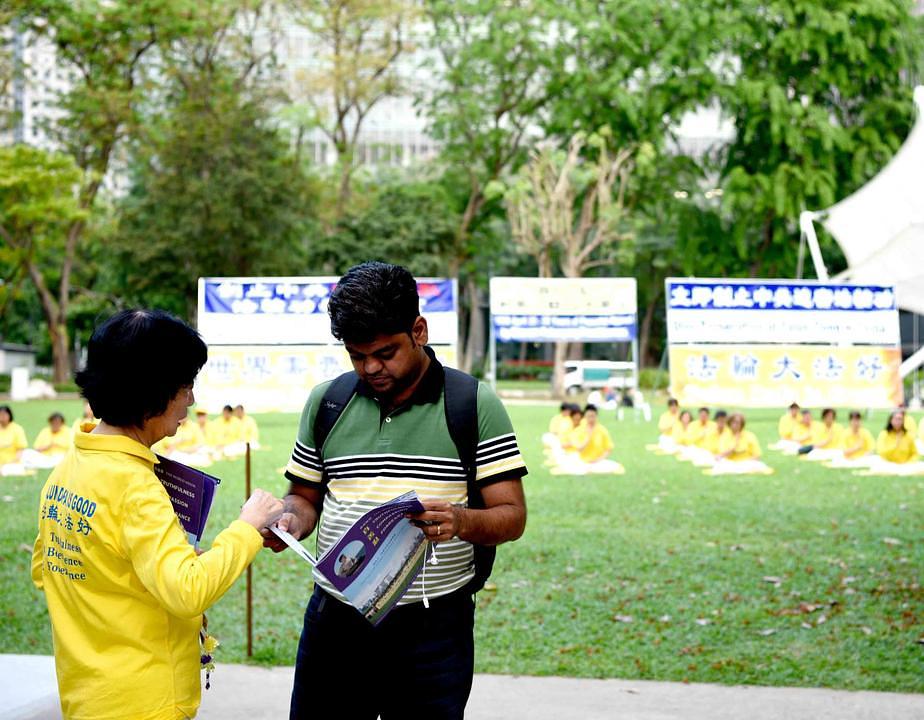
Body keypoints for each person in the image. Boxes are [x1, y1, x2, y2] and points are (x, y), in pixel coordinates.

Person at [265, 262, 527, 720]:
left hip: (433, 630)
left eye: (385, 353)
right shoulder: (328, 402)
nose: (371, 368)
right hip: (336, 622)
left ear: (419, 331)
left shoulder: (471, 404)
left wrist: (460, 520)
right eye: (356, 355)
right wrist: (288, 521)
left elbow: (512, 515)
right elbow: (304, 498)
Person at [30, 309, 284, 720]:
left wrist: (156, 563)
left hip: (86, 696)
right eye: (185, 386)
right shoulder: (136, 486)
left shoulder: (68, 468)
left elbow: (47, 568)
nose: (192, 400)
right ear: (153, 391)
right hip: (147, 702)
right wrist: (248, 527)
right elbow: (188, 592)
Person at [550, 404, 624, 475]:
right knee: (572, 465)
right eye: (588, 416)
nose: (591, 419)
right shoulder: (579, 430)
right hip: (582, 461)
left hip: (597, 462)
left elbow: (608, 449)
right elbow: (579, 449)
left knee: (615, 467)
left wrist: (598, 459)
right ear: (585, 417)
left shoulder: (602, 430)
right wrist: (588, 437)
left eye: (593, 416)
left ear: (596, 416)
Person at [706, 413, 773, 475]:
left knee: (756, 465)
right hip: (729, 463)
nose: (735, 425)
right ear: (729, 423)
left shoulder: (750, 436)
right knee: (721, 464)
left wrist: (744, 461)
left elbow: (757, 456)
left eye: (738, 423)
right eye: (733, 422)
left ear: (742, 425)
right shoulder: (725, 436)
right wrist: (734, 445)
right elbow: (721, 456)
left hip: (746, 462)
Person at [864, 409, 924, 475]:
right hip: (889, 464)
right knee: (878, 466)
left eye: (900, 419)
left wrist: (909, 462)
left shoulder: (908, 435)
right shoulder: (884, 434)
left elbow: (915, 453)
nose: (897, 422)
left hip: (906, 464)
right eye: (895, 419)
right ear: (890, 420)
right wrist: (895, 446)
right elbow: (881, 452)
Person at [0, 405, 30, 476]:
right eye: (0, 414)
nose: (2, 417)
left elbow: (20, 450)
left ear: (9, 415)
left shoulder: (17, 429)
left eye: (4, 414)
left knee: (7, 469)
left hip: (12, 463)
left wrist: (9, 462)